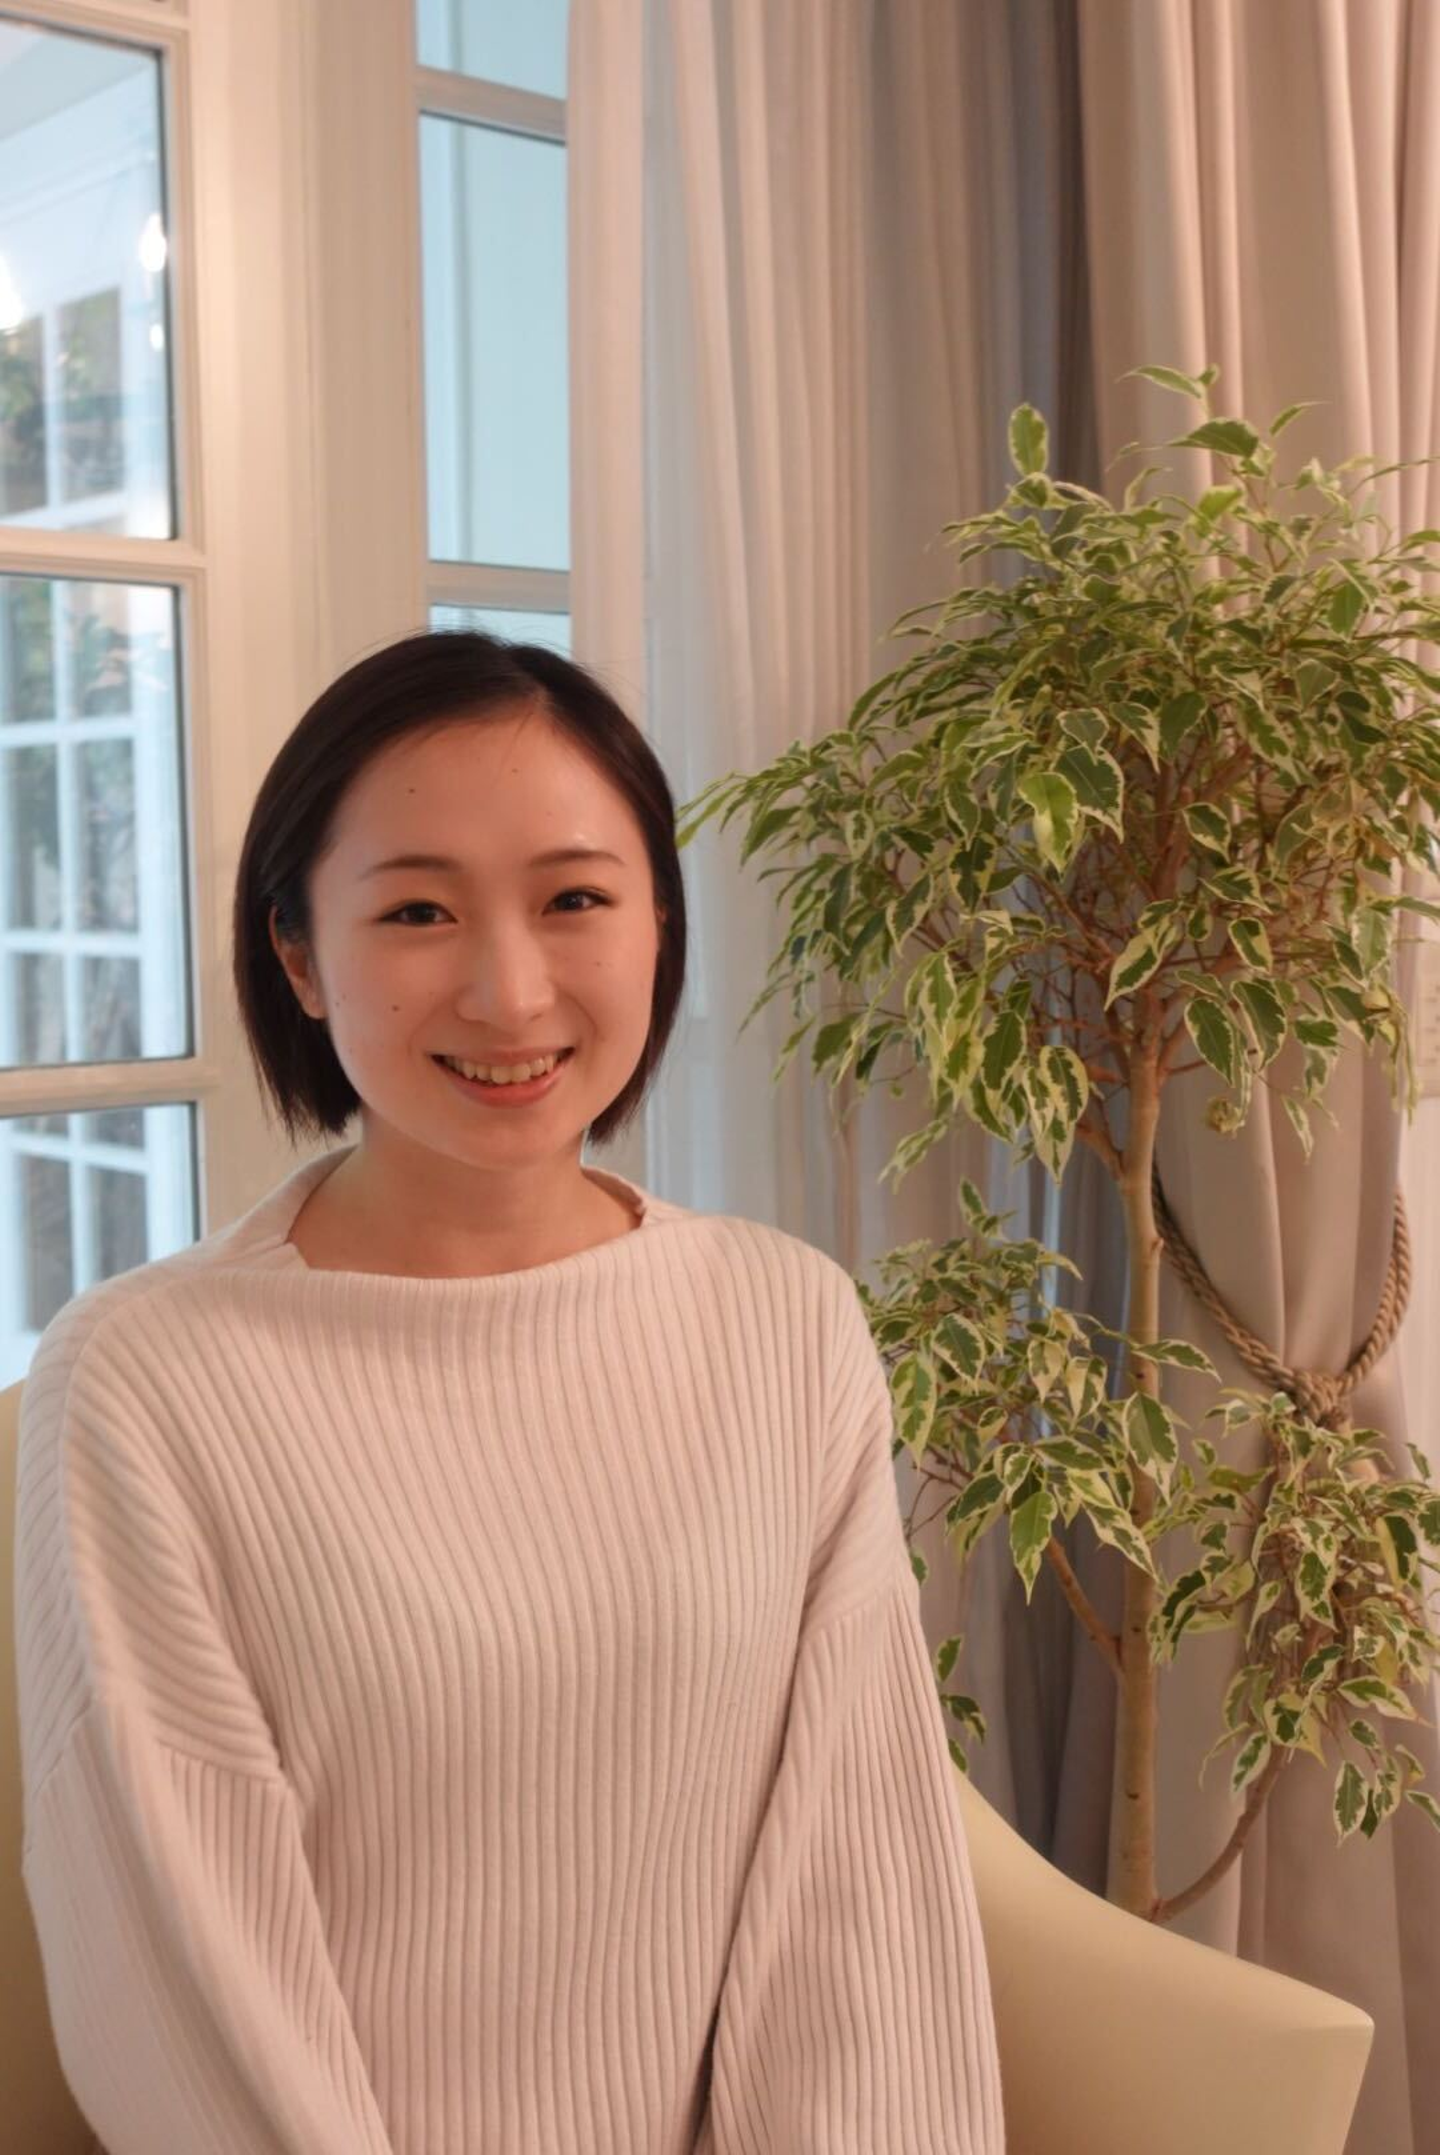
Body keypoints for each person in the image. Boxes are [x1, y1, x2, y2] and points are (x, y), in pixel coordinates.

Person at [14, 630, 1005, 2153]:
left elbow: (855, 1884)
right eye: (417, 910)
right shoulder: (144, 1380)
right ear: (299, 955)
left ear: (658, 923)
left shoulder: (784, 1321)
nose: (510, 989)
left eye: (575, 899)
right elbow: (182, 1986)